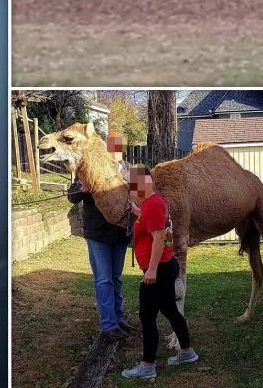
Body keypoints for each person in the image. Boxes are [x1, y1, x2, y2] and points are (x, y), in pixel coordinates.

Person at [121, 165, 199, 380]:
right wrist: (138, 212)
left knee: (147, 317)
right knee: (171, 311)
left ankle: (147, 367)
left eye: (133, 185)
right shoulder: (152, 203)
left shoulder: (153, 205)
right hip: (166, 265)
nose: (130, 188)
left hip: (158, 270)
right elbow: (157, 228)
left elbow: (158, 238)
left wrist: (152, 269)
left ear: (145, 183)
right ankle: (187, 352)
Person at [67, 130, 134, 339]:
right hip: (98, 232)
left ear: (122, 148)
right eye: (111, 145)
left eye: (118, 145)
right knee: (103, 279)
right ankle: (109, 324)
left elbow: (142, 195)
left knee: (116, 277)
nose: (114, 149)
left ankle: (119, 317)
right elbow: (72, 196)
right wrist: (84, 190)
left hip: (120, 232)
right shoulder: (88, 168)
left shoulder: (130, 170)